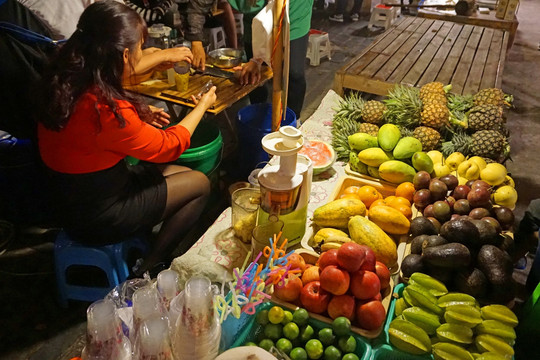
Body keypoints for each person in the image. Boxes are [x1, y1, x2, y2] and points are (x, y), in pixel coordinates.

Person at [36, 1, 217, 276]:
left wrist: (140, 117)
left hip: (64, 199)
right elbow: (169, 146)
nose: (141, 55)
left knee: (179, 172)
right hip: (98, 214)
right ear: (122, 56)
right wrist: (201, 107)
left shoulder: (64, 77)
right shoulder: (105, 109)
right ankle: (150, 266)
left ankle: (143, 240)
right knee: (200, 183)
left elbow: (92, 134)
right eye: (139, 50)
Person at [228, 0, 313, 119]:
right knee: (254, 75)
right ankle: (258, 115)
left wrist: (258, 57)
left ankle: (293, 121)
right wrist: (257, 58)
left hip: (294, 12)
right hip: (257, 19)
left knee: (294, 73)